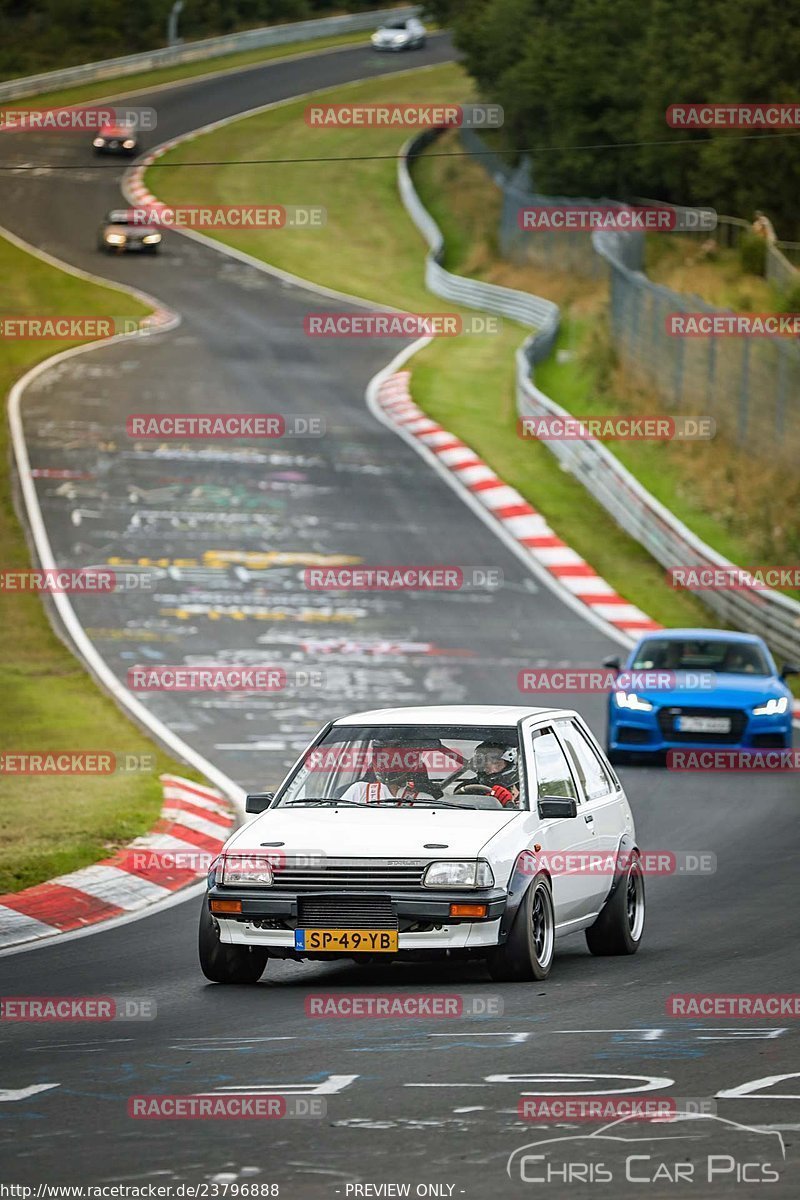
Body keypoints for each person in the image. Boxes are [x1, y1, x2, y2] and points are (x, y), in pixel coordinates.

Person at [339, 744, 435, 805]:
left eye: (396, 760)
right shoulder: (359, 791)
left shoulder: (424, 801)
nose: (388, 765)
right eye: (383, 758)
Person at [468, 741, 520, 807]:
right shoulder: (469, 787)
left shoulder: (526, 791)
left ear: (509, 766)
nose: (491, 770)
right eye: (485, 765)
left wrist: (513, 805)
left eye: (497, 763)